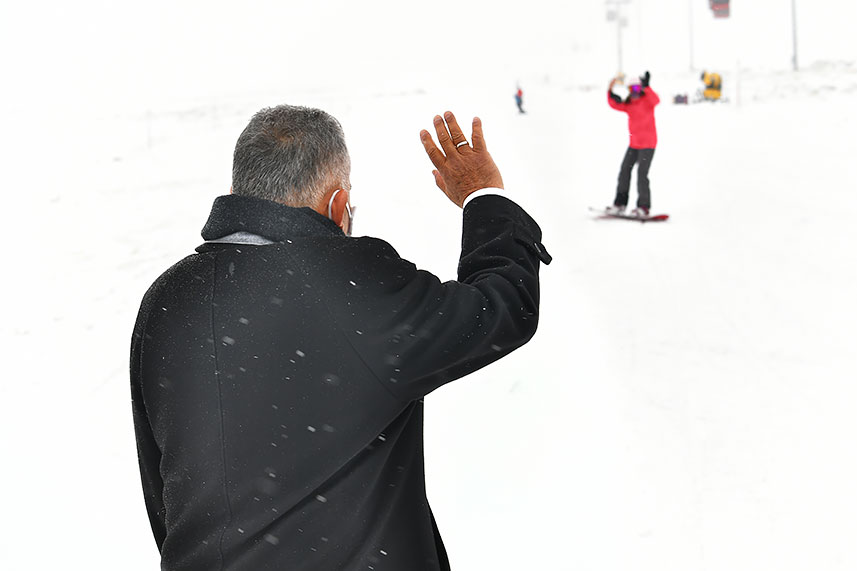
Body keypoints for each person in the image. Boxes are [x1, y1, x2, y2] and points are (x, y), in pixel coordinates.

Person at [130, 105, 551, 570]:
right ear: (337, 205)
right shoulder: (354, 283)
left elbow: (162, 487)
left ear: (235, 193)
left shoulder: (166, 301)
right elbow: (503, 307)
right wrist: (482, 194)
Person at [606, 71, 660, 216]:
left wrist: (647, 87)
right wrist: (609, 91)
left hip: (648, 145)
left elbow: (656, 100)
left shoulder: (647, 101)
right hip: (634, 145)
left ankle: (643, 207)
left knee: (642, 174)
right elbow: (615, 104)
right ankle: (620, 204)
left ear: (640, 88)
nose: (634, 92)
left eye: (637, 88)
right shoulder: (629, 104)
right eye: (631, 89)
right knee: (624, 171)